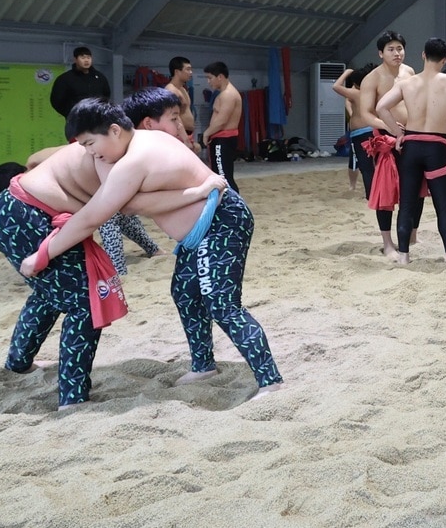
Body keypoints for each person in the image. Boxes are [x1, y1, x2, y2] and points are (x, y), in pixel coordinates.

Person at [21, 100, 283, 396]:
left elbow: (98, 215)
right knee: (185, 293)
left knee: (221, 303)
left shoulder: (134, 160)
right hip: (199, 230)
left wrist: (43, 254)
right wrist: (193, 193)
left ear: (115, 130)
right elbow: (129, 205)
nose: (91, 153)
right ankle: (203, 365)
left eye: (91, 143)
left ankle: (270, 380)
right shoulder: (142, 144)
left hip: (222, 222)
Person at [0, 134, 222, 408]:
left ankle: (19, 363)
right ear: (147, 123)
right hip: (30, 217)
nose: (180, 126)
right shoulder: (116, 156)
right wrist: (199, 191)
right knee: (84, 302)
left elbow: (36, 160)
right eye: (173, 118)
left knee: (48, 292)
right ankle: (72, 398)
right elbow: (127, 208)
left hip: (5, 209)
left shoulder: (102, 146)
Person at [376, 38, 446, 265]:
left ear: (422, 55)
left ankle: (403, 256)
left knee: (407, 203)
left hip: (411, 145)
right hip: (437, 146)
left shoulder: (407, 83)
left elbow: (381, 107)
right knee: (443, 206)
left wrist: (398, 134)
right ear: (445, 59)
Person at [352, 33, 416, 255]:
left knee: (413, 188)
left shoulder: (409, 72)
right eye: (391, 49)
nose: (397, 53)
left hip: (410, 136)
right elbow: (366, 114)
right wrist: (390, 127)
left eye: (400, 48)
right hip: (385, 138)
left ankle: (409, 236)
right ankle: (387, 243)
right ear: (381, 53)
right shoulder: (372, 78)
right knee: (385, 192)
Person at [201, 61, 243, 192]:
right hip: (221, 140)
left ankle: (233, 207)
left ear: (220, 76)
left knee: (223, 177)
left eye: (210, 78)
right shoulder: (225, 93)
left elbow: (222, 121)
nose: (208, 82)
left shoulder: (228, 94)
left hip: (223, 140)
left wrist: (206, 133)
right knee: (221, 175)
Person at [49, 46, 110, 134]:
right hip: (76, 122)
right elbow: (56, 101)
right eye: (83, 57)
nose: (86, 60)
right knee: (77, 146)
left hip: (98, 121)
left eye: (88, 57)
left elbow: (106, 96)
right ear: (75, 59)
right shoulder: (65, 79)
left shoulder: (100, 77)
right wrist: (71, 114)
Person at [165, 56, 198, 151]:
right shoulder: (171, 90)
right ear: (177, 72)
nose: (191, 73)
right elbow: (174, 117)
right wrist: (186, 140)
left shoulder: (183, 89)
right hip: (180, 136)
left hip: (188, 134)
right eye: (188, 69)